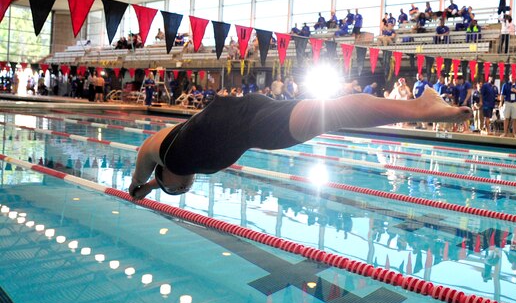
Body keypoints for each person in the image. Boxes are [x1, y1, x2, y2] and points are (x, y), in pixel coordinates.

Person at [129, 87, 472, 199]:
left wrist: (135, 183)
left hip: (244, 123)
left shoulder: (168, 152)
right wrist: (148, 189)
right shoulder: (178, 157)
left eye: (176, 189)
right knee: (330, 112)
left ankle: (418, 107)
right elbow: (160, 177)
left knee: (332, 114)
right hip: (251, 114)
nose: (184, 187)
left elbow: (144, 154)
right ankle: (418, 105)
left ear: (165, 174)